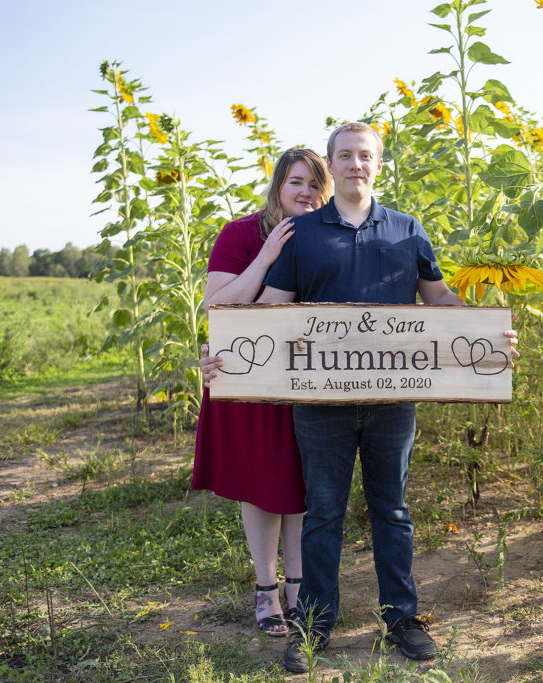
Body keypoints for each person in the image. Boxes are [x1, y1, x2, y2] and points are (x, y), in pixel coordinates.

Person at [249, 122, 519, 673]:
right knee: (324, 512)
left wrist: (488, 334)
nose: (355, 164)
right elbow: (273, 310)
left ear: (378, 163)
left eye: (365, 155)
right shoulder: (305, 236)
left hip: (395, 398)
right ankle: (315, 625)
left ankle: (401, 619)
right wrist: (229, 353)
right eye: (344, 155)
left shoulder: (406, 229)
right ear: (332, 164)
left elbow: (438, 296)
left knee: (391, 511)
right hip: (320, 403)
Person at [193, 148, 332, 637]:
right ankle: (266, 590)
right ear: (278, 185)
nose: (305, 193)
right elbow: (216, 305)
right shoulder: (241, 234)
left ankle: (299, 588)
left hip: (306, 380)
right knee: (260, 486)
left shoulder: (326, 234)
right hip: (248, 380)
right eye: (296, 182)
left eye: (315, 184)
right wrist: (268, 255)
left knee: (299, 486)